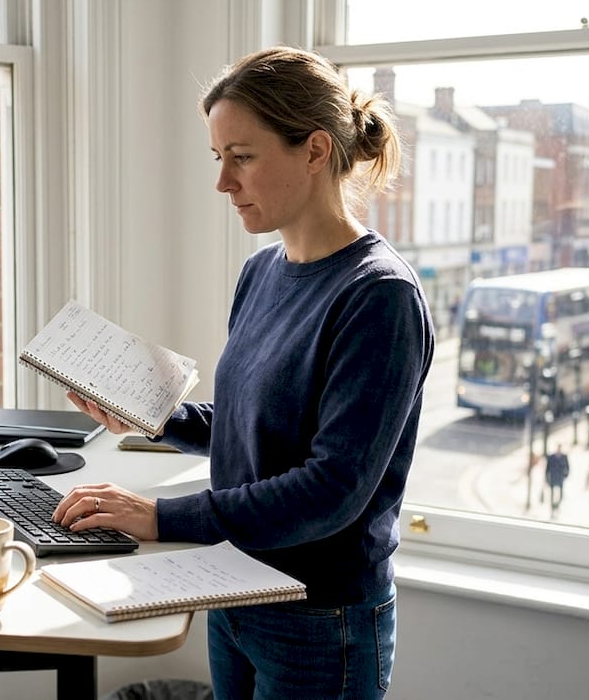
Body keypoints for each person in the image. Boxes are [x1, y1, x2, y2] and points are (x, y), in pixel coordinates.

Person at [54, 45, 432, 699]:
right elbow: (250, 427)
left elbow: (330, 490)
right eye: (218, 158)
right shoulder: (261, 272)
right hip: (235, 591)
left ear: (315, 150)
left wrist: (164, 517)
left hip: (322, 623)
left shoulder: (380, 297)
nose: (223, 183)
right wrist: (159, 413)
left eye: (243, 157)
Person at [545, 443, 570, 513]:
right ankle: (552, 507)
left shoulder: (564, 457)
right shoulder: (552, 457)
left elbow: (567, 467)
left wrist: (566, 475)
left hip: (560, 478)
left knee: (561, 494)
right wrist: (546, 478)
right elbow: (547, 468)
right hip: (553, 477)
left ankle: (557, 506)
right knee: (552, 493)